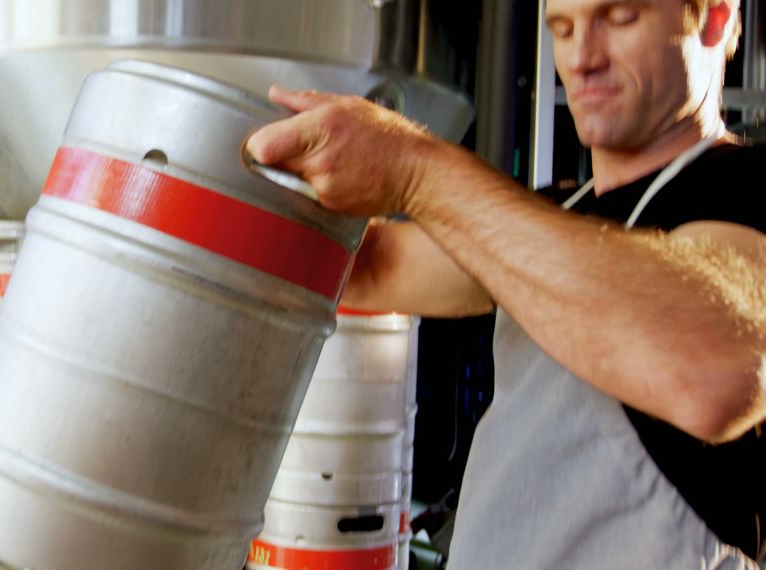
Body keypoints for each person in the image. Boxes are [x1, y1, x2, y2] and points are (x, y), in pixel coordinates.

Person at [246, 0, 765, 567]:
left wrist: (416, 169)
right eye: (562, 29)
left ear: (715, 16)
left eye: (619, 18)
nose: (580, 57)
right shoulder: (554, 213)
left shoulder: (745, 192)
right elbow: (367, 266)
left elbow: (713, 373)